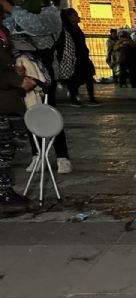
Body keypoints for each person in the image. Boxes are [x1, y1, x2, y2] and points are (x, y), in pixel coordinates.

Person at [0, 0, 73, 174]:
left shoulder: (51, 13)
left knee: (48, 110)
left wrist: (12, 9)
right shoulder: (12, 15)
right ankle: (38, 154)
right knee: (29, 112)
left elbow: (35, 26)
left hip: (44, 71)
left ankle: (62, 156)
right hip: (22, 70)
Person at [0, 7, 36, 204]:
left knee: (6, 149)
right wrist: (16, 80)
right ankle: (3, 191)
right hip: (3, 101)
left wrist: (15, 73)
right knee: (3, 150)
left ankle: (4, 189)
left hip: (8, 101)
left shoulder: (3, 32)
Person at [62, 8, 99, 107]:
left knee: (88, 75)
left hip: (82, 55)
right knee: (74, 78)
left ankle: (91, 98)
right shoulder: (67, 28)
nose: (78, 17)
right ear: (70, 17)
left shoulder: (76, 27)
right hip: (74, 56)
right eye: (75, 15)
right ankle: (74, 98)